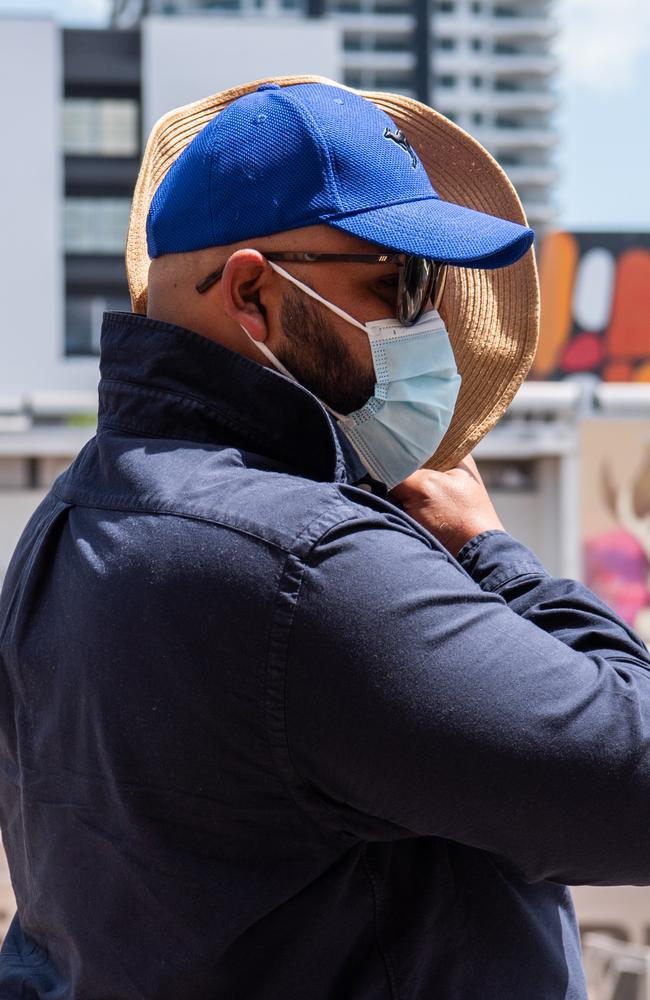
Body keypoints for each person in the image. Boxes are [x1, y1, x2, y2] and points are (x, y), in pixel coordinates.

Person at [0, 77, 648, 1000]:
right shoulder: (306, 565)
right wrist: (492, 554)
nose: (428, 324)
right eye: (399, 284)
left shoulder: (72, 518)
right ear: (254, 292)